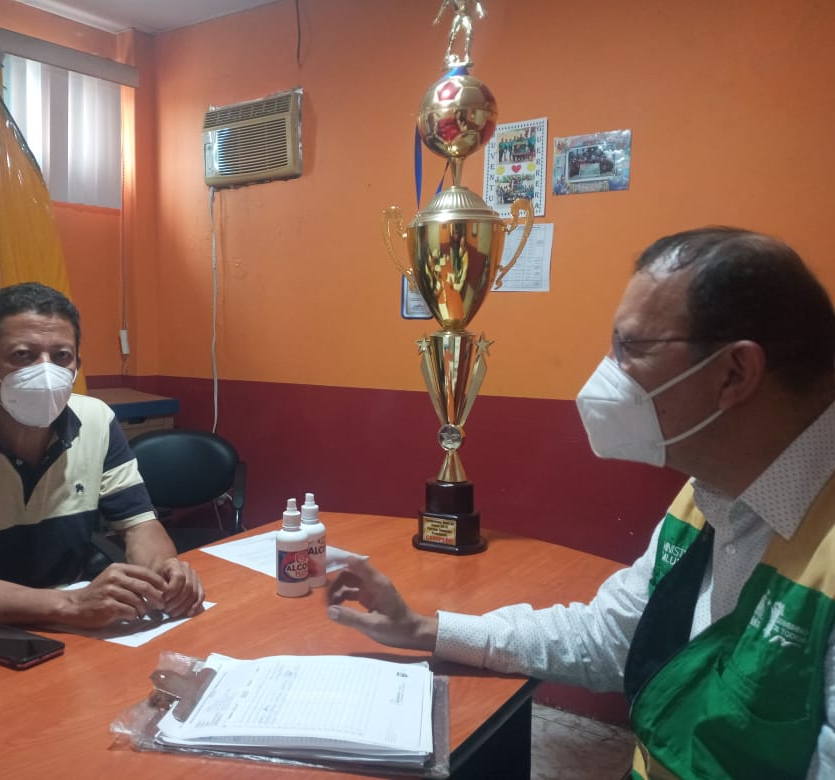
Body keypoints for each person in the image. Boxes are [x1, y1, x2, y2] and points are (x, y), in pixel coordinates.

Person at [327, 227, 835, 778]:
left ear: (734, 374)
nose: (606, 373)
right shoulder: (708, 493)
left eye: (631, 348)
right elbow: (612, 635)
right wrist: (423, 629)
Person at [0, 282, 204, 646]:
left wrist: (163, 573)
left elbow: (140, 525)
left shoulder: (97, 420)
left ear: (77, 366)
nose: (46, 372)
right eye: (23, 355)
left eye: (62, 356)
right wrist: (71, 603)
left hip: (59, 627)